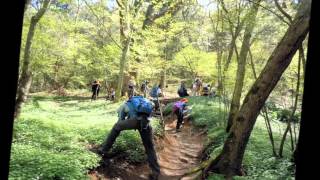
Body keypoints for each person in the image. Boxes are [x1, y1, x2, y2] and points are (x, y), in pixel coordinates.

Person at [97, 96, 160, 180]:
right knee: (149, 147)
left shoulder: (124, 105)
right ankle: (155, 172)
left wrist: (125, 124)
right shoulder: (145, 102)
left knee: (116, 127)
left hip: (134, 121)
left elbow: (120, 121)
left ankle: (104, 150)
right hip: (146, 124)